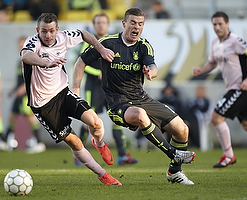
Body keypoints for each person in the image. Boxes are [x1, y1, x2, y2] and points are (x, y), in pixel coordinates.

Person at [73, 8, 196, 185]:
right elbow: (81, 61)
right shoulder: (107, 43)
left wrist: (151, 72)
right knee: (139, 115)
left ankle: (174, 172)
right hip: (117, 103)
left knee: (182, 129)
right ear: (124, 24)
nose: (136, 27)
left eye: (140, 24)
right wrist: (76, 89)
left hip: (141, 98)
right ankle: (172, 153)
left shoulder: (144, 46)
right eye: (133, 23)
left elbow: (152, 65)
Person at [20, 13, 121, 186]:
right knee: (74, 141)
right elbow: (25, 56)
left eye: (52, 31)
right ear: (38, 31)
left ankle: (99, 143)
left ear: (57, 30)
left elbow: (84, 34)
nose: (48, 35)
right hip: (43, 104)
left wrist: (101, 48)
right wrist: (45, 62)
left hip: (62, 92)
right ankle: (103, 175)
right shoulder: (32, 43)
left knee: (95, 122)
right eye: (44, 31)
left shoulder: (63, 37)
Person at [192, 11, 247, 168]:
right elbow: (212, 63)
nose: (217, 27)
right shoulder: (215, 44)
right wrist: (201, 70)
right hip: (234, 88)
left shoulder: (236, 41)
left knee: (216, 117)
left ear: (227, 24)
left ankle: (229, 155)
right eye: (214, 25)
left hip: (241, 87)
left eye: (220, 24)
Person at [75, 12, 138, 166]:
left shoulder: (111, 41)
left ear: (108, 25)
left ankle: (122, 155)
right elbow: (81, 65)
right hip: (93, 87)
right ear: (94, 25)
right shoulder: (88, 42)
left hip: (110, 88)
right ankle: (78, 154)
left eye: (104, 22)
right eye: (98, 23)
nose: (101, 25)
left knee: (117, 119)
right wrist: (99, 73)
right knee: (88, 121)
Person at [3, 36, 46, 154]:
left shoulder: (30, 60)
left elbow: (32, 78)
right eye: (19, 45)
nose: (20, 47)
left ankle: (39, 143)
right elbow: (20, 79)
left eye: (22, 45)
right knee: (12, 117)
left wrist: (22, 89)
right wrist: (13, 90)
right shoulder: (20, 61)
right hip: (18, 94)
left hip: (27, 94)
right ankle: (5, 141)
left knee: (30, 118)